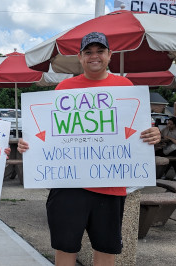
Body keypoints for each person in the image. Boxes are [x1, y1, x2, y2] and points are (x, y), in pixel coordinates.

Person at [17, 32, 161, 266]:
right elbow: (50, 132)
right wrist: (29, 145)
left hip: (111, 186)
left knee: (106, 250)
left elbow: (140, 129)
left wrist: (154, 134)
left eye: (100, 51)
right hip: (68, 185)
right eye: (88, 52)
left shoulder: (125, 86)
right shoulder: (64, 88)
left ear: (109, 55)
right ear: (80, 57)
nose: (94, 56)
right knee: (65, 248)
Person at [155, 116, 176, 181]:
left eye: (171, 124)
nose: (169, 125)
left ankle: (167, 173)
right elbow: (160, 135)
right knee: (158, 153)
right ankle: (173, 173)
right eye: (168, 123)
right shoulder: (166, 129)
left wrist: (170, 138)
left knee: (169, 155)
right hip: (170, 148)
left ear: (175, 124)